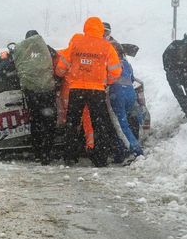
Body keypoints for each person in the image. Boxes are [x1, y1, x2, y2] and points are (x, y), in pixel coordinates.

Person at [56, 17, 122, 167]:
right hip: (96, 90)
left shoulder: (76, 43)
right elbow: (116, 71)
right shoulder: (106, 46)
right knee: (99, 124)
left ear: (86, 28)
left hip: (76, 89)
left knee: (72, 123)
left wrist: (60, 74)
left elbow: (62, 65)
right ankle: (100, 158)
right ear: (100, 29)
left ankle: (69, 157)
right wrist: (107, 81)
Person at [11, 30, 57, 165]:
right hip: (47, 92)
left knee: (35, 122)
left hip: (31, 93)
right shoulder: (47, 50)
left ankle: (37, 153)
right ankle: (47, 154)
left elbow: (14, 68)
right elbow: (57, 64)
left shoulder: (23, 53)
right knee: (49, 123)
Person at [108, 46, 143, 162]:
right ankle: (128, 147)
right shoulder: (127, 64)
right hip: (130, 93)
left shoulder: (110, 62)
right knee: (128, 121)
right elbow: (132, 79)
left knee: (120, 125)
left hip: (117, 93)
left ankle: (135, 150)